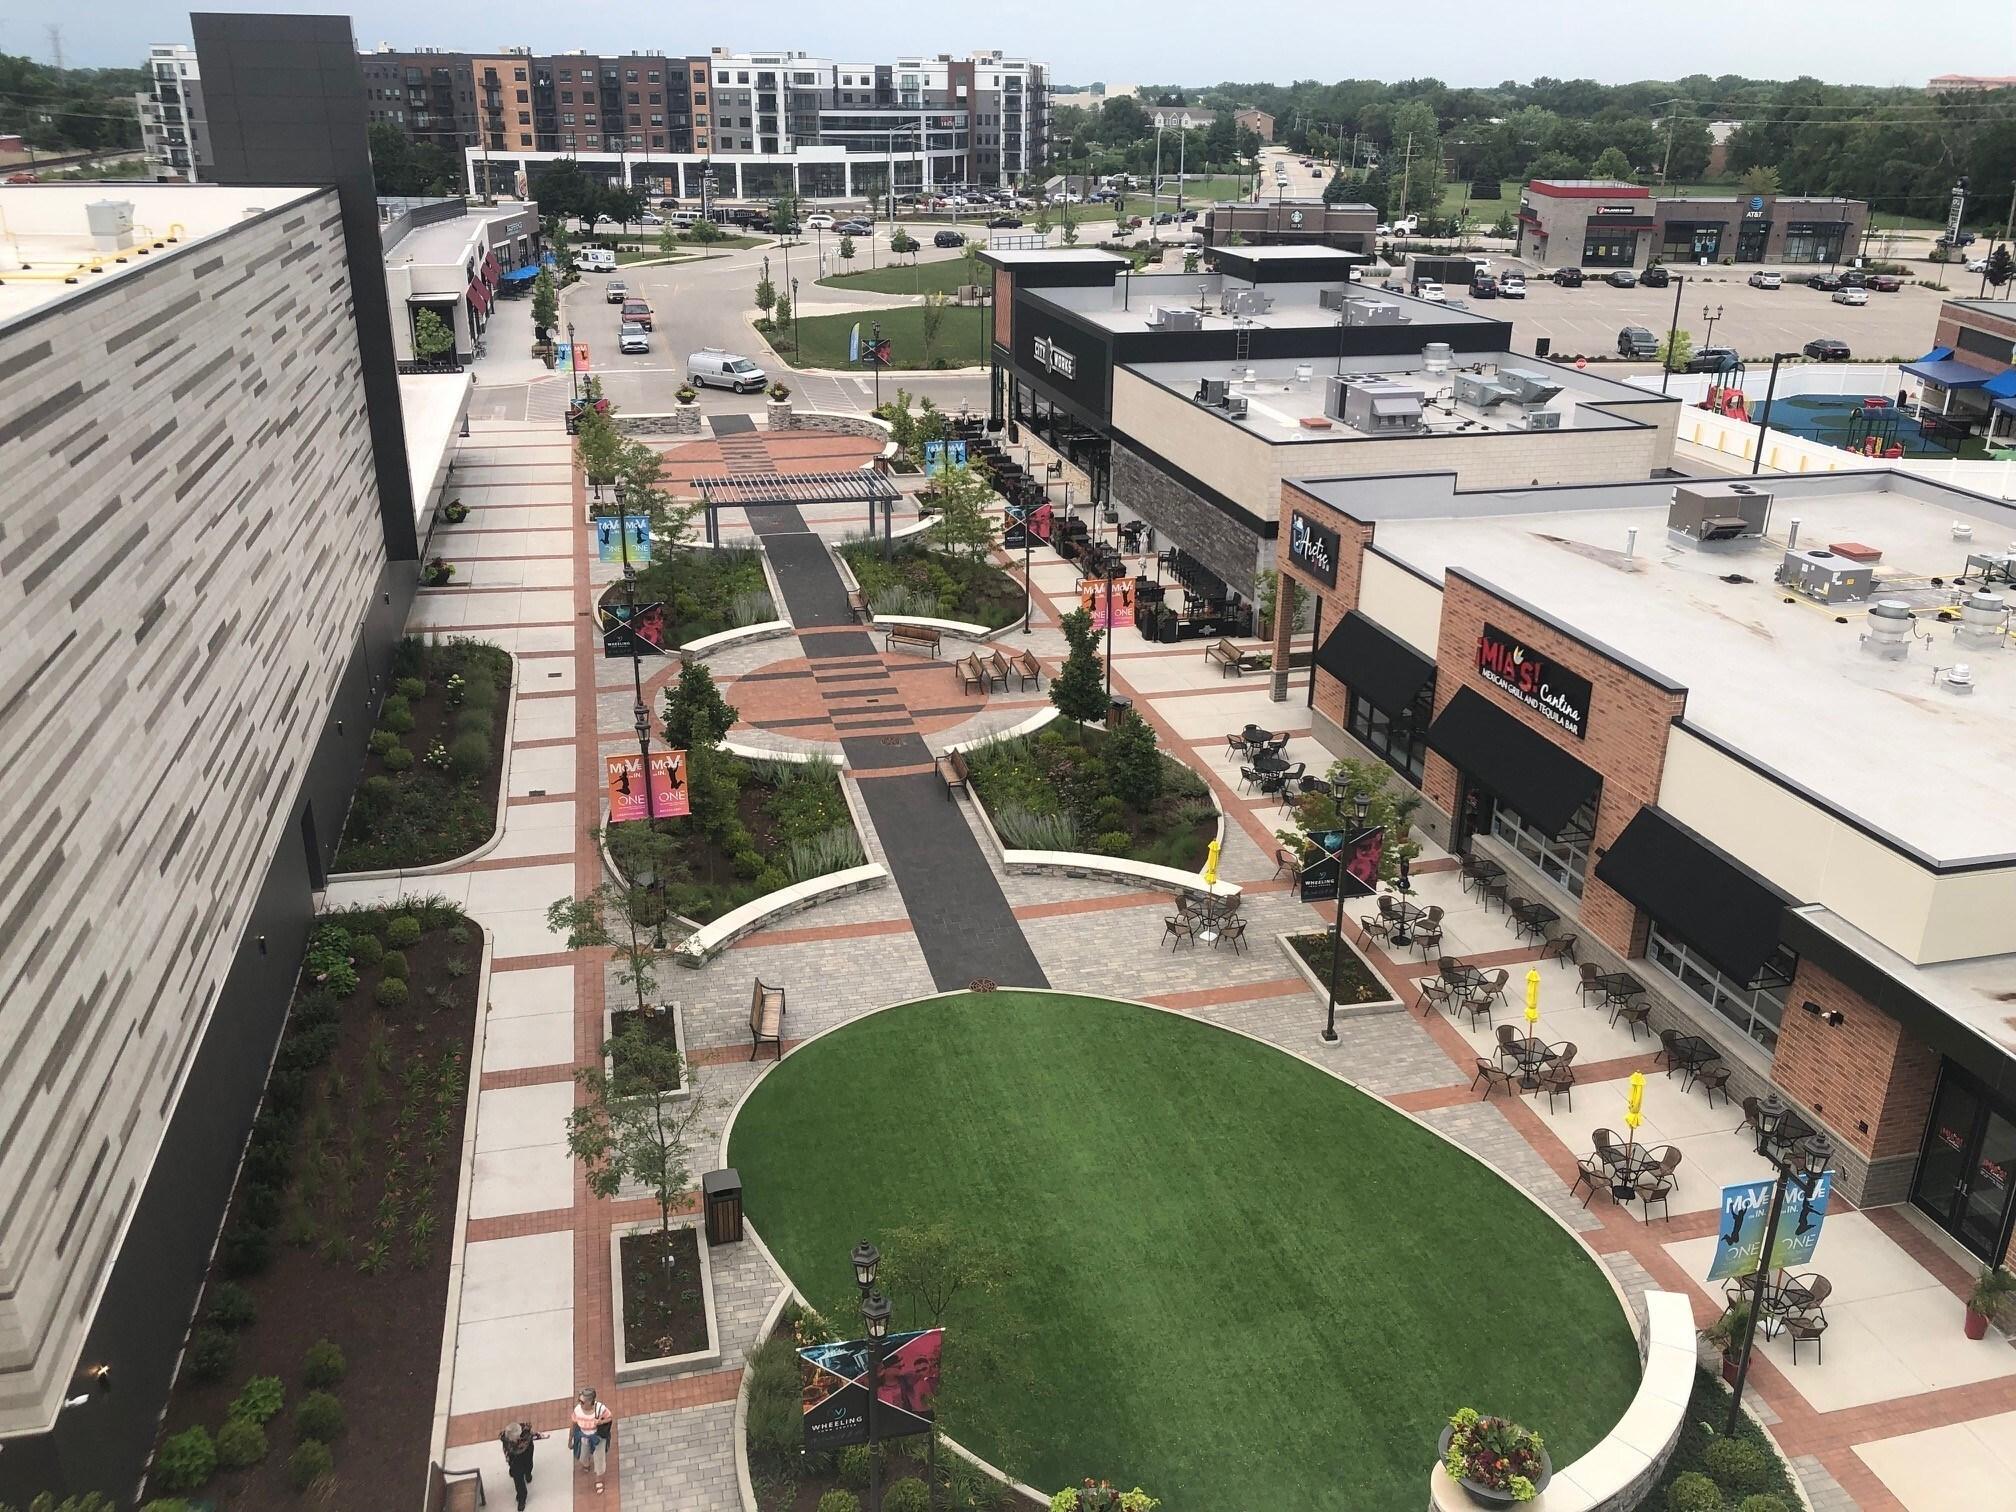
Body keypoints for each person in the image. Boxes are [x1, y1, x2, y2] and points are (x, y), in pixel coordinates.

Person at [571, 1386, 614, 1494]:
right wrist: (570, 1439)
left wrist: (601, 1422)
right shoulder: (577, 1410)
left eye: (581, 1401)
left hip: (598, 1437)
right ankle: (586, 1464)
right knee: (582, 1456)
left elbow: (610, 1417)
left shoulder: (600, 1408)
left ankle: (599, 1480)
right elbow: (573, 1423)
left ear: (590, 1402)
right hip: (584, 1436)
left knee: (599, 1460)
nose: (579, 1403)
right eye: (579, 1400)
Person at [499, 1421, 544, 1511]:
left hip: (526, 1452)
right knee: (518, 1478)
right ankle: (522, 1497)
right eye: (512, 1439)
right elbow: (506, 1452)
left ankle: (528, 1474)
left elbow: (535, 1434)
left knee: (528, 1465)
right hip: (515, 1458)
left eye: (515, 1438)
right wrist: (510, 1463)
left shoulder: (526, 1432)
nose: (514, 1440)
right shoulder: (506, 1439)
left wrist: (540, 1436)